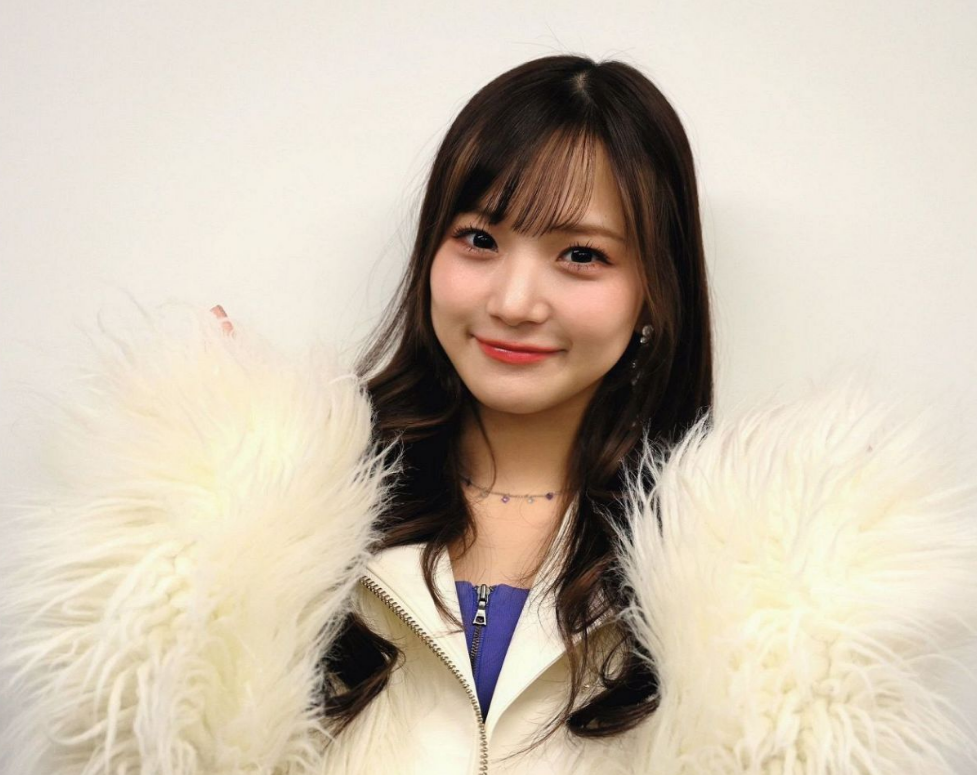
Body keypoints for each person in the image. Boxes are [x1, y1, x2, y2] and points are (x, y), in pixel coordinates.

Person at [2, 55, 977, 775]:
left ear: (654, 291)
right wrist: (202, 487)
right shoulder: (286, 514)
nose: (513, 299)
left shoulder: (755, 589)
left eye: (580, 255)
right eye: (478, 239)